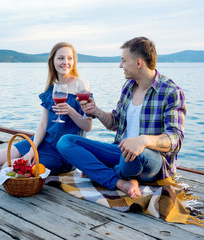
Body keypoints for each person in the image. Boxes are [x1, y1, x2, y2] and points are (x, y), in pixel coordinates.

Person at [57, 37, 186, 199]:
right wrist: (96, 110)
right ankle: (120, 182)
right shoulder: (128, 87)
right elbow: (115, 123)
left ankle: (103, 172)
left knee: (135, 155)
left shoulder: (171, 92)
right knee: (66, 142)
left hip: (150, 160)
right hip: (121, 152)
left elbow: (176, 138)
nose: (120, 65)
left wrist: (143, 141)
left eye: (123, 61)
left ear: (138, 63)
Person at [0, 42, 92, 174]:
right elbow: (43, 124)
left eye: (69, 58)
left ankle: (21, 160)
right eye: (61, 58)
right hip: (44, 141)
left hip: (63, 151)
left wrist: (71, 111)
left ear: (74, 61)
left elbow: (87, 126)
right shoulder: (52, 89)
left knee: (7, 167)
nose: (65, 62)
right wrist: (33, 149)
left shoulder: (81, 85)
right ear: (53, 61)